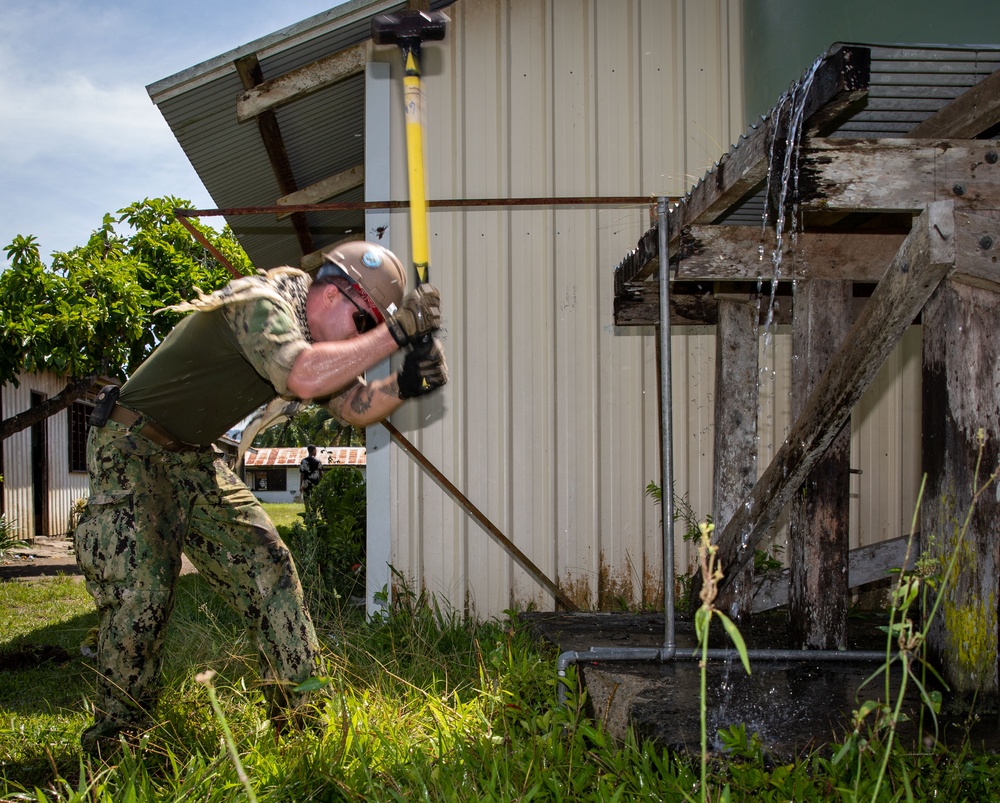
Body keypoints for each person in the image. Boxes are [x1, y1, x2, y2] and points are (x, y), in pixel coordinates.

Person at [74, 241, 447, 756]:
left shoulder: (310, 339)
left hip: (192, 457)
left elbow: (354, 406)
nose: (366, 338)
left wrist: (407, 381)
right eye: (364, 324)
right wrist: (397, 333)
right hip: (131, 445)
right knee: (143, 591)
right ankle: (113, 748)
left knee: (269, 566)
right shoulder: (259, 302)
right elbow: (301, 372)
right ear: (338, 294)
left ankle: (301, 724)